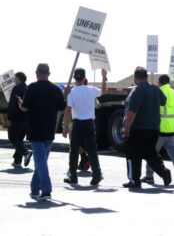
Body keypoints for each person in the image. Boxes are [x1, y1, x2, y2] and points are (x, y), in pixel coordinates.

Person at [18, 63, 66, 201]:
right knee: (41, 162)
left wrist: (20, 103)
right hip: (49, 131)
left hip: (35, 131)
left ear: (37, 73)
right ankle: (34, 190)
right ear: (48, 74)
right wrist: (66, 94)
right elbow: (62, 107)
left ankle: (46, 190)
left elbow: (25, 107)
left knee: (40, 162)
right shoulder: (55, 90)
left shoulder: (32, 88)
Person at [122, 66, 171, 188]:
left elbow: (131, 112)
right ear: (146, 77)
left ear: (135, 78)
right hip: (154, 128)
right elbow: (164, 101)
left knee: (133, 154)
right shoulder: (155, 89)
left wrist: (127, 128)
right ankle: (164, 172)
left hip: (139, 128)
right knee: (150, 153)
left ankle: (134, 180)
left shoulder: (137, 91)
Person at [62, 68, 107, 186]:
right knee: (92, 151)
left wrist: (65, 126)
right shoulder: (91, 90)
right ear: (84, 77)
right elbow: (103, 90)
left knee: (74, 151)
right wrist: (103, 76)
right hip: (89, 123)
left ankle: (73, 176)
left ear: (74, 78)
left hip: (76, 124)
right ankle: (96, 175)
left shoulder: (71, 92)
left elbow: (68, 110)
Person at [141, 74, 174, 185]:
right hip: (173, 129)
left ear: (159, 82)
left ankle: (149, 176)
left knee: (151, 152)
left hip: (161, 129)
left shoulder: (159, 91)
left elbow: (155, 108)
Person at [7, 72, 32, 167]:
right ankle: (17, 161)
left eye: (15, 77)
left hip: (16, 118)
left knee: (12, 138)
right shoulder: (27, 88)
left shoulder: (16, 88)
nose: (13, 79)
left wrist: (9, 118)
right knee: (19, 140)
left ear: (19, 78)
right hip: (26, 119)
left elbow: (13, 105)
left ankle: (26, 152)